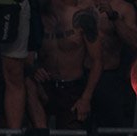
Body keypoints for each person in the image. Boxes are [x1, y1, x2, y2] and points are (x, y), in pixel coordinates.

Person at [26, 0, 101, 128]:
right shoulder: (36, 20)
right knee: (28, 84)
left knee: (70, 134)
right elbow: (27, 58)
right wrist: (35, 69)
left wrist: (86, 98)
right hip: (46, 86)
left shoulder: (82, 17)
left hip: (73, 87)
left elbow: (97, 61)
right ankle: (41, 132)